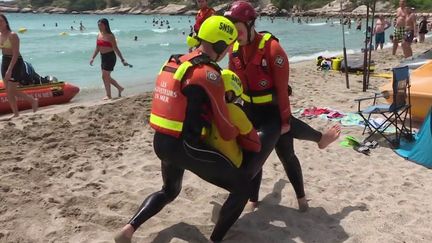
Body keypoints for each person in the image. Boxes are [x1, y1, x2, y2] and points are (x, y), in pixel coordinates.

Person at [114, 16, 263, 243]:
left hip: (161, 142)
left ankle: (129, 228)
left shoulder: (175, 61)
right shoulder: (209, 73)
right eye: (228, 46)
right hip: (186, 147)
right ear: (222, 45)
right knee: (243, 186)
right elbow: (225, 129)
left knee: (169, 191)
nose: (227, 52)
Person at [224, 1, 340, 212]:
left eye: (237, 26)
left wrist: (285, 120)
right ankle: (253, 198)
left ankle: (302, 199)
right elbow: (232, 83)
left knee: (286, 154)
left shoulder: (272, 49)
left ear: (250, 23)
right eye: (230, 26)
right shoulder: (233, 51)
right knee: (252, 155)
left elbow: (281, 89)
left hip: (273, 112)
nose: (234, 32)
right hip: (249, 111)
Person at [204, 69, 260, 168]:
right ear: (229, 93)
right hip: (231, 163)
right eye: (235, 98)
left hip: (207, 162)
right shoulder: (233, 110)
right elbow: (255, 144)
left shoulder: (203, 107)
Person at [0, 14, 38, 120]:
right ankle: (16, 114)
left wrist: (9, 70)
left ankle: (32, 100)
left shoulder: (13, 35)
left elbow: (16, 54)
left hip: (15, 62)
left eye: (1, 21)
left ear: (6, 22)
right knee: (8, 90)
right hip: (5, 61)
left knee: (11, 89)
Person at [90, 18, 126, 100]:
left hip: (110, 57)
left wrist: (122, 59)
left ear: (105, 25)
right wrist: (92, 58)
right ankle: (119, 88)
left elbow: (116, 48)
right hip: (103, 57)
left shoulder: (110, 36)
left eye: (101, 25)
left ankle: (109, 95)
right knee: (105, 77)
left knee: (105, 76)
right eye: (98, 25)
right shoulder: (98, 35)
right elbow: (97, 48)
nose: (99, 27)